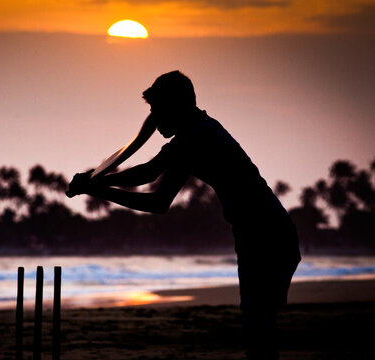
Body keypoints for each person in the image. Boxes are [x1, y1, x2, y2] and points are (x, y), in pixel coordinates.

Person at [66, 70, 301, 359]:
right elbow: (159, 202)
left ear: (174, 107)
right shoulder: (197, 132)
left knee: (258, 323)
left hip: (266, 234)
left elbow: (147, 172)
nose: (153, 118)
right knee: (258, 323)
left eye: (157, 110)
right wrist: (97, 188)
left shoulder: (195, 136)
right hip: (262, 232)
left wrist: (95, 183)